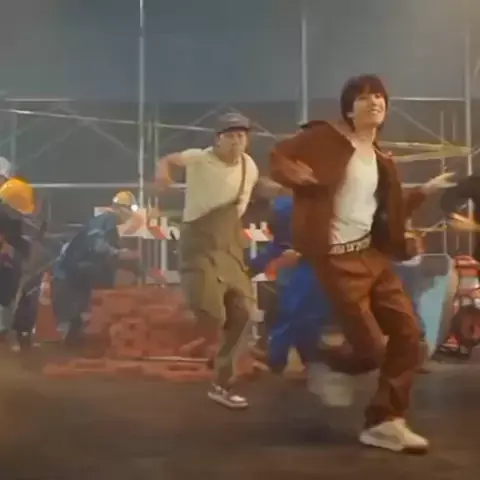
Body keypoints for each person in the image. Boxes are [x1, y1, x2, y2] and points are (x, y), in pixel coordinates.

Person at [269, 74, 451, 453]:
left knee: (409, 336)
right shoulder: (324, 138)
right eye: (365, 98)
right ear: (349, 110)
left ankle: (386, 421)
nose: (375, 102)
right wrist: (294, 174)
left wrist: (424, 192)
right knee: (371, 350)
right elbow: (279, 156)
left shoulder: (383, 160)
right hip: (337, 261)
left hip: (373, 256)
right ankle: (329, 365)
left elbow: (391, 213)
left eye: (379, 97)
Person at [155, 113, 259, 409]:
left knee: (243, 313)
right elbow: (169, 159)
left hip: (229, 245)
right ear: (218, 139)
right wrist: (163, 172)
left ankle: (222, 383)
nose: (236, 140)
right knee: (212, 311)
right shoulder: (200, 158)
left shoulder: (249, 166)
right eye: (230, 135)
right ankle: (204, 331)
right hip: (199, 244)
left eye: (241, 135)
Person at [51, 191, 139, 349]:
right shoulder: (108, 220)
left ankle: (74, 341)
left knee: (79, 309)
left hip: (73, 270)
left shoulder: (101, 221)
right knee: (83, 306)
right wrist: (119, 253)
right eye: (129, 210)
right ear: (120, 208)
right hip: (77, 269)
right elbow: (98, 246)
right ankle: (77, 341)